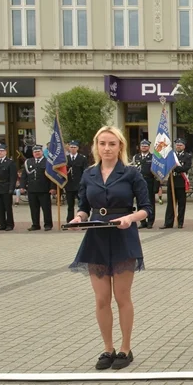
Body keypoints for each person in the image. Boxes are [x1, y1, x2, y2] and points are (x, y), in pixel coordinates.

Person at [68, 126, 153, 370]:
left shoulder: (131, 173)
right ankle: (108, 348)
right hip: (96, 237)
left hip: (123, 236)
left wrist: (130, 218)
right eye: (103, 143)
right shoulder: (89, 174)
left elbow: (147, 208)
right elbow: (84, 206)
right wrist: (78, 218)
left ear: (120, 147)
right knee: (102, 299)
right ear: (96, 147)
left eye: (112, 144)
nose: (107, 148)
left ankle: (126, 349)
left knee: (122, 297)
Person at [19, 144, 54, 231]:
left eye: (38, 151)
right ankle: (35, 224)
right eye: (35, 152)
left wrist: (52, 188)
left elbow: (52, 177)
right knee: (34, 209)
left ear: (42, 152)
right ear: (33, 153)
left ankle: (48, 224)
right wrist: (22, 186)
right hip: (32, 189)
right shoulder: (28, 162)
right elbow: (24, 176)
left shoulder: (48, 162)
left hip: (44, 189)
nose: (37, 153)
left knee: (46, 209)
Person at [160, 138, 192, 229]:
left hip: (181, 182)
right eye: (177, 145)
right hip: (172, 181)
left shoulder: (187, 156)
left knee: (182, 204)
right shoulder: (171, 156)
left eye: (180, 145)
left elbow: (186, 167)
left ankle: (180, 222)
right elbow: (166, 166)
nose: (178, 146)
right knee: (170, 204)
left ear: (184, 146)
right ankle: (168, 223)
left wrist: (175, 168)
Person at [0, 143, 18, 231]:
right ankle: (2, 224)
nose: (0, 152)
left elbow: (13, 177)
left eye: (2, 151)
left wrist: (11, 188)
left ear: (5, 152)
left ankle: (10, 224)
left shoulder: (10, 162)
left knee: (7, 207)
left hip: (6, 187)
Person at [131, 140, 157, 228]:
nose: (144, 147)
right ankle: (142, 221)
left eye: (145, 146)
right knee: (139, 202)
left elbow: (156, 173)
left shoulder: (153, 157)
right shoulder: (136, 157)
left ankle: (150, 221)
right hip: (139, 183)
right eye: (142, 146)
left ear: (149, 147)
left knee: (150, 202)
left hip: (149, 182)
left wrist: (156, 186)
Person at [64, 140, 88, 223]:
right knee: (70, 205)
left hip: (79, 185)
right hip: (69, 185)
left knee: (82, 204)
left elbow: (85, 171)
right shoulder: (65, 159)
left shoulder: (82, 158)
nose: (73, 149)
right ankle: (70, 221)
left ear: (77, 148)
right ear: (69, 148)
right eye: (71, 147)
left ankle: (83, 220)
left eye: (74, 147)